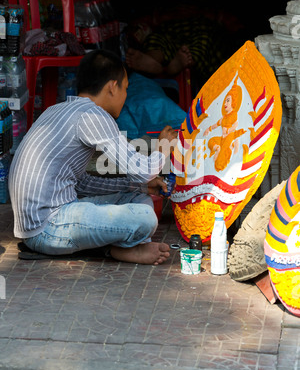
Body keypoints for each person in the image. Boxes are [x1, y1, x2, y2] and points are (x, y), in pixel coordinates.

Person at [8, 50, 178, 265]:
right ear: (112, 87)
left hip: (36, 226)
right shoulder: (93, 115)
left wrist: (141, 187)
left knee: (140, 200)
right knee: (144, 218)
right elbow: (143, 170)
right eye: (125, 88)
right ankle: (115, 249)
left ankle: (122, 245)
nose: (126, 96)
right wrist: (163, 146)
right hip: (46, 228)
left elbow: (84, 184)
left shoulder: (58, 109)